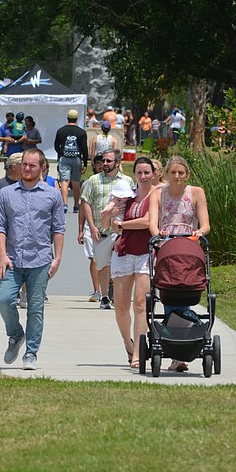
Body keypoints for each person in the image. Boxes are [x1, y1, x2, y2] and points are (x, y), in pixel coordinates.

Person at [0, 149, 66, 371]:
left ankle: (31, 353)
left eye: (32, 165)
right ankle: (16, 335)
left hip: (40, 259)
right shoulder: (6, 194)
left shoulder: (52, 195)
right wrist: (2, 255)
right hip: (13, 258)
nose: (26, 168)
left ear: (42, 167)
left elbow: (58, 228)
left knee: (35, 309)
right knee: (5, 300)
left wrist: (58, 258)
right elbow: (0, 227)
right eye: (24, 164)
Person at [148, 155, 211, 371]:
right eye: (173, 172)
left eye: (181, 173)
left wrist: (198, 233)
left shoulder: (196, 193)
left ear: (187, 175)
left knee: (185, 288)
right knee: (169, 288)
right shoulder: (158, 193)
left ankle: (184, 336)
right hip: (166, 247)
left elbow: (205, 225)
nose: (177, 176)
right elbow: (153, 224)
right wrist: (160, 236)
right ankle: (177, 348)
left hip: (189, 248)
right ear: (166, 174)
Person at [102, 157, 156, 368]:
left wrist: (121, 224)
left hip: (145, 253)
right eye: (139, 173)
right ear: (134, 174)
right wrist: (112, 217)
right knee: (121, 307)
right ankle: (128, 344)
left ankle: (138, 353)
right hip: (124, 252)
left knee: (141, 304)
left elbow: (147, 222)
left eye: (147, 173)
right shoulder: (126, 195)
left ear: (153, 174)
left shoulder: (157, 195)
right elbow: (108, 224)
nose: (143, 177)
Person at [80, 148, 132, 310]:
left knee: (120, 265)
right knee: (102, 265)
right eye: (103, 161)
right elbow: (86, 203)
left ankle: (118, 296)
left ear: (117, 163)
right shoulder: (93, 181)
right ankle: (104, 297)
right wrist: (90, 226)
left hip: (120, 232)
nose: (105, 163)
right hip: (100, 231)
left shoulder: (127, 181)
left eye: (109, 161)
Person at [78, 154, 104, 302]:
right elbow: (82, 207)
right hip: (91, 225)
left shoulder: (117, 182)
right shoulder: (88, 183)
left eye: (104, 162)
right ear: (93, 166)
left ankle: (109, 290)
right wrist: (80, 229)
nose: (101, 166)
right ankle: (96, 291)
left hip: (109, 227)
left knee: (107, 260)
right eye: (98, 163)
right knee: (94, 259)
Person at [54, 109, 89, 213]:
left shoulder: (61, 131)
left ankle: (64, 204)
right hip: (76, 158)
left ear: (67, 118)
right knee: (76, 182)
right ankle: (76, 205)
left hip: (65, 158)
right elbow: (84, 148)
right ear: (77, 119)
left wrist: (61, 154)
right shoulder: (81, 132)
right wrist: (85, 163)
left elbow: (56, 145)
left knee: (64, 181)